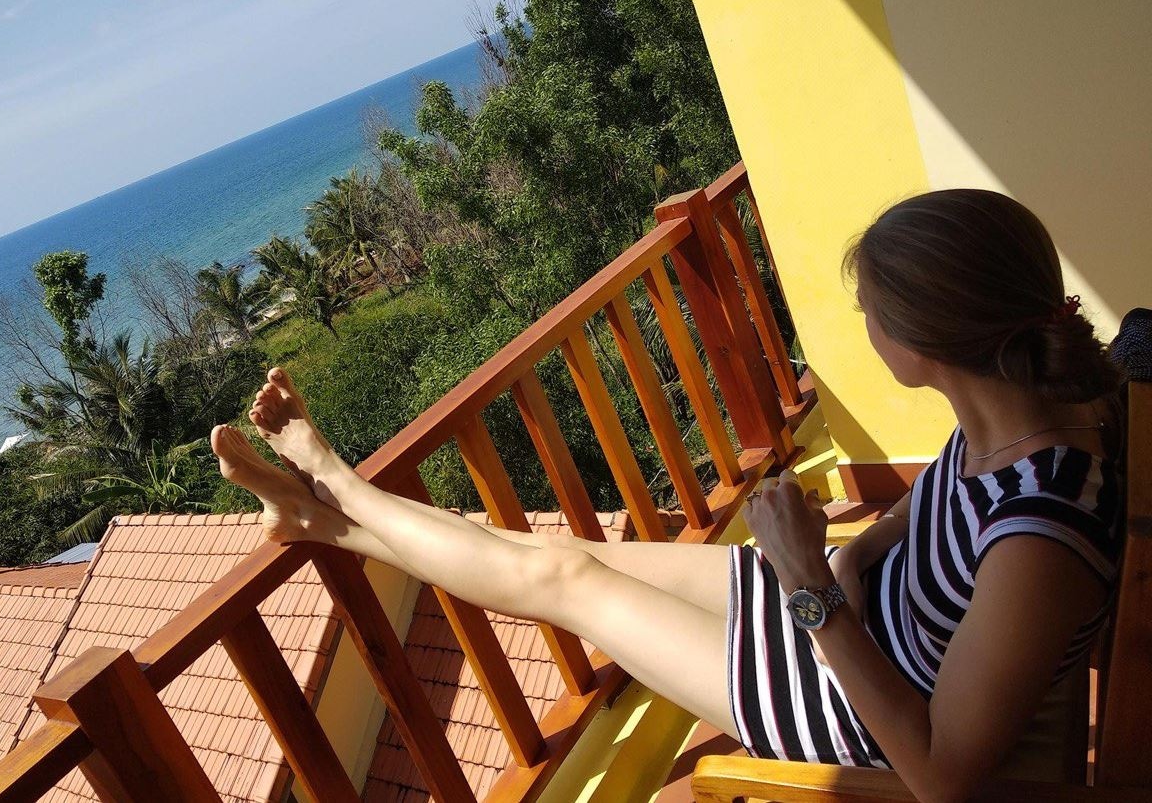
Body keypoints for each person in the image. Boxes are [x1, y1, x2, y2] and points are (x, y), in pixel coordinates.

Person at [211, 188, 1124, 803]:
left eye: (873, 312)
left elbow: (941, 776)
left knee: (563, 580)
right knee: (578, 556)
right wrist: (844, 558)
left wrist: (808, 584)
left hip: (858, 698)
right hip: (852, 614)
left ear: (929, 337)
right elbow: (925, 519)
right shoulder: (1011, 416)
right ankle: (328, 510)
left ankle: (332, 491)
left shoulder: (1041, 525)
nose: (864, 326)